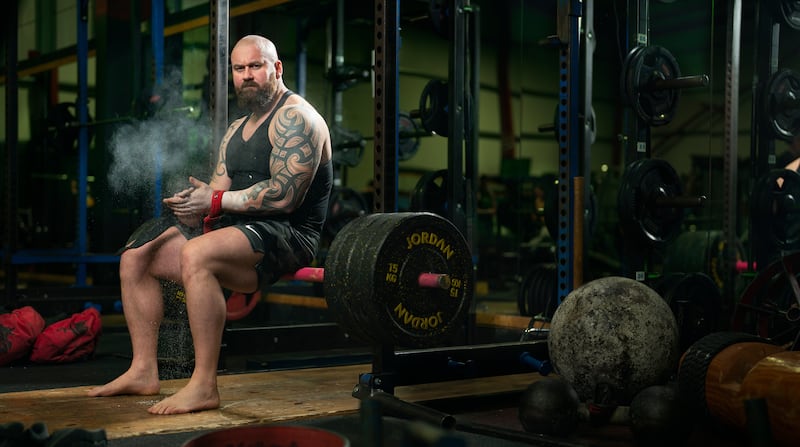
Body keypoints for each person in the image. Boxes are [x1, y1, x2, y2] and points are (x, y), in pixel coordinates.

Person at [87, 35, 333, 415]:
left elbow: (284, 196)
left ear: (277, 68)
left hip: (289, 236)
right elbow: (218, 191)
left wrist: (215, 202)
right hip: (241, 232)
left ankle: (203, 385)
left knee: (196, 253)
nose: (247, 76)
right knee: (137, 254)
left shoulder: (296, 118)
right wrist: (195, 207)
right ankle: (143, 370)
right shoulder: (237, 130)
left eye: (256, 66)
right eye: (239, 69)